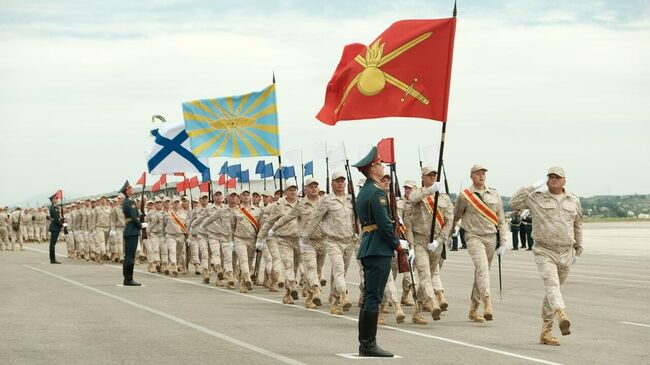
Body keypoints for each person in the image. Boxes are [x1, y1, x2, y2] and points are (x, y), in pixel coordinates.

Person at [511, 166, 582, 346]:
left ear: (564, 180)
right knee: (552, 284)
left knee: (553, 291)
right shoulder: (536, 198)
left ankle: (546, 332)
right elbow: (514, 202)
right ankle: (561, 314)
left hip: (566, 252)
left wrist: (578, 249)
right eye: (550, 177)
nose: (554, 179)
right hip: (545, 251)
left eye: (557, 177)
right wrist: (532, 186)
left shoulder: (573, 200)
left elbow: (577, 224)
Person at [353, 147, 412, 358]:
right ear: (372, 169)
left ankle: (365, 343)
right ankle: (368, 344)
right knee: (373, 298)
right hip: (378, 249)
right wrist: (398, 244)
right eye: (379, 164)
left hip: (370, 246)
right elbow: (385, 225)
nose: (382, 166)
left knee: (370, 296)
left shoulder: (365, 191)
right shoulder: (377, 193)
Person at [452, 164, 507, 323]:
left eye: (483, 173)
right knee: (482, 268)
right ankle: (487, 303)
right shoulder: (465, 195)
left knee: (481, 273)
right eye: (478, 173)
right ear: (471, 176)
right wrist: (449, 235)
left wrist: (502, 242)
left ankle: (474, 308)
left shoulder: (494, 194)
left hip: (491, 237)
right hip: (473, 236)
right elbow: (456, 216)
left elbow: (501, 219)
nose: (481, 176)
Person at [407, 166, 453, 324]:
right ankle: (433, 303)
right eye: (429, 175)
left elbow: (449, 222)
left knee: (428, 276)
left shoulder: (444, 198)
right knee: (425, 274)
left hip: (436, 243)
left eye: (434, 175)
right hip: (420, 240)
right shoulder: (418, 194)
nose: (432, 177)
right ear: (423, 177)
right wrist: (430, 190)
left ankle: (417, 311)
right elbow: (412, 198)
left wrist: (439, 241)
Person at [120, 181, 143, 286]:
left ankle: (126, 278)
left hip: (128, 230)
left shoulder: (125, 201)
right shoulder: (131, 202)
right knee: (131, 256)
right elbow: (134, 218)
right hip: (133, 230)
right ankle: (129, 279)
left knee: (128, 256)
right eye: (130, 188)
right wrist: (140, 225)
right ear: (127, 191)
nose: (132, 189)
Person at [48, 193, 63, 264]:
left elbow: (58, 217)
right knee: (52, 244)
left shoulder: (55, 207)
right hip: (55, 227)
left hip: (55, 226)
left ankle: (52, 259)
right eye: (56, 198)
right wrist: (61, 225)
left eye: (57, 198)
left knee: (53, 244)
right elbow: (56, 219)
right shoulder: (53, 208)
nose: (57, 200)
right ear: (52, 200)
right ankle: (52, 259)